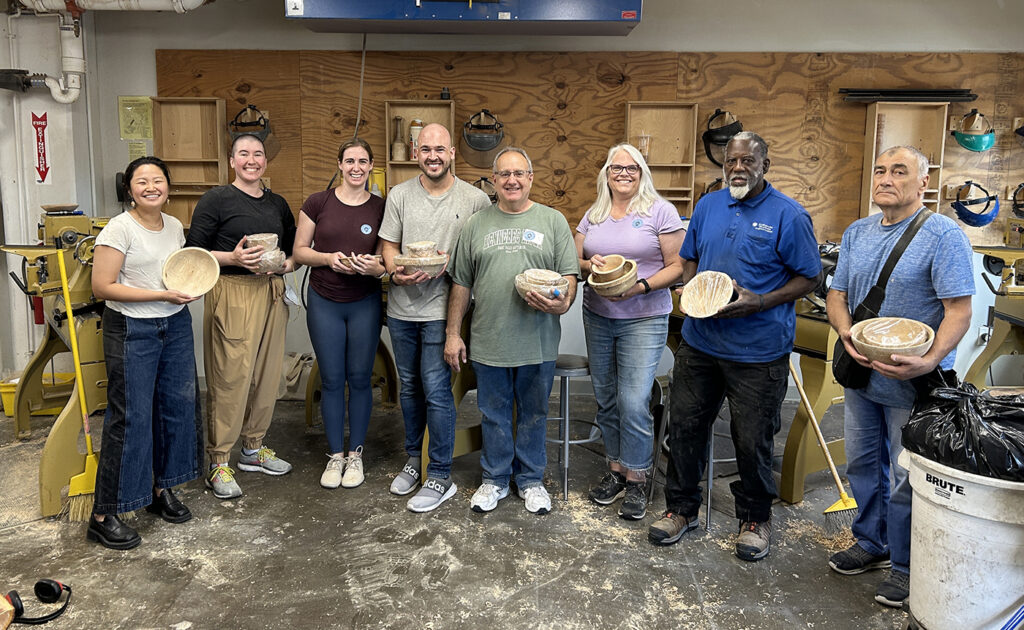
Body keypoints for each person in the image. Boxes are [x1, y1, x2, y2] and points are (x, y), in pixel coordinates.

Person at [648, 132, 820, 561]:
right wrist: (690, 287)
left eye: (747, 160)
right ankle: (681, 509)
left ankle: (755, 518)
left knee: (752, 438)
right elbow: (689, 258)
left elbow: (810, 277)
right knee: (684, 428)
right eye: (731, 161)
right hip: (701, 344)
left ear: (765, 163)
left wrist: (760, 301)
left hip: (758, 351)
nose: (738, 167)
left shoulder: (788, 215)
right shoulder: (708, 206)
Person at [826, 145, 973, 607]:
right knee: (863, 464)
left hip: (912, 382)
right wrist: (847, 333)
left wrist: (930, 360)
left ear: (923, 182)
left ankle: (909, 567)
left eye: (900, 171)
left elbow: (959, 311)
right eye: (881, 170)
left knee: (908, 477)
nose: (887, 178)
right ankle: (872, 543)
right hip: (862, 375)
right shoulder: (858, 232)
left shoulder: (942, 235)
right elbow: (837, 295)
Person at [444, 147, 579, 515]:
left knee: (535, 413)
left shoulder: (552, 221)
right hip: (490, 340)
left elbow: (569, 276)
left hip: (537, 341)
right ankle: (495, 479)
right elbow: (461, 283)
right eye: (504, 174)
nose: (512, 180)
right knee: (493, 413)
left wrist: (564, 302)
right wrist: (453, 333)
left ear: (531, 178)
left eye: (519, 173)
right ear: (494, 180)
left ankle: (532, 480)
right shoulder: (476, 225)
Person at [87, 156, 203, 549]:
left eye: (158, 180)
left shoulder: (173, 226)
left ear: (168, 186)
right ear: (129, 189)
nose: (151, 186)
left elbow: (180, 268)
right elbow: (102, 286)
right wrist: (161, 294)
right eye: (142, 181)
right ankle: (104, 514)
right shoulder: (119, 229)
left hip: (175, 325)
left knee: (175, 407)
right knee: (131, 417)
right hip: (132, 328)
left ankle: (159, 490)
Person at [379, 124, 491, 512]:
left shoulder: (475, 200)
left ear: (452, 153)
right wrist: (396, 272)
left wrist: (453, 267)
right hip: (401, 308)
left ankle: (440, 473)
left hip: (445, 312)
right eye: (425, 149)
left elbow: (479, 256)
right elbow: (389, 246)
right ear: (415, 153)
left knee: (437, 388)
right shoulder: (399, 195)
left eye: (439, 149)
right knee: (409, 387)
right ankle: (415, 459)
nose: (433, 156)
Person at [576, 143, 684, 521]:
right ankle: (616, 469)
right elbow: (574, 258)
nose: (623, 173)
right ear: (606, 173)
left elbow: (678, 267)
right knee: (606, 397)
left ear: (642, 173)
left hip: (644, 316)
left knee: (633, 400)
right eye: (616, 167)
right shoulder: (595, 214)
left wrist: (640, 287)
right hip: (599, 315)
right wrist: (591, 261)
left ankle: (639, 479)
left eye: (632, 168)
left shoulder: (660, 211)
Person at [185, 133, 297, 499]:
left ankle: (253, 447)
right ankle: (218, 460)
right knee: (230, 377)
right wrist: (233, 258)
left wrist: (283, 266)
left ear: (266, 161)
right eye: (244, 154)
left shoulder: (277, 203)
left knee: (267, 374)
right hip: (231, 292)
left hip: (270, 291)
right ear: (232, 160)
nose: (252, 160)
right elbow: (193, 253)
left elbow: (294, 250)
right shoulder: (216, 199)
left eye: (258, 154)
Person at [293, 138, 386, 490]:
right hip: (324, 300)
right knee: (332, 379)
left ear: (371, 166)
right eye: (350, 161)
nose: (356, 167)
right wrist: (329, 258)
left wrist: (371, 266)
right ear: (340, 165)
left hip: (364, 301)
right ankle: (335, 456)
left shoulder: (381, 207)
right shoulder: (318, 202)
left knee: (360, 379)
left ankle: (356, 455)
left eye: (363, 161)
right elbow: (300, 252)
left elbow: (383, 262)